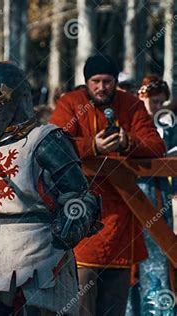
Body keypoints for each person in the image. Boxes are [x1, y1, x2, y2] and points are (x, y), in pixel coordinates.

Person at [0, 62, 102, 315]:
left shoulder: (46, 139)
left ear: (20, 98)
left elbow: (80, 194)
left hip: (37, 258)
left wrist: (75, 215)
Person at [49, 54, 166, 316]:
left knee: (114, 304)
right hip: (80, 214)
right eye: (96, 81)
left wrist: (127, 143)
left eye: (107, 81)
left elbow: (157, 146)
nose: (102, 87)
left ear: (115, 82)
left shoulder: (131, 105)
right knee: (82, 305)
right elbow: (53, 145)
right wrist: (92, 146)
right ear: (86, 82)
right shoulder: (71, 104)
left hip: (122, 219)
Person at [125, 75, 175, 315]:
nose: (156, 107)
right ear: (140, 97)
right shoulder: (132, 123)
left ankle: (156, 308)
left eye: (160, 102)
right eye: (152, 101)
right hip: (134, 192)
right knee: (134, 254)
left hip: (158, 194)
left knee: (159, 253)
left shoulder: (166, 126)